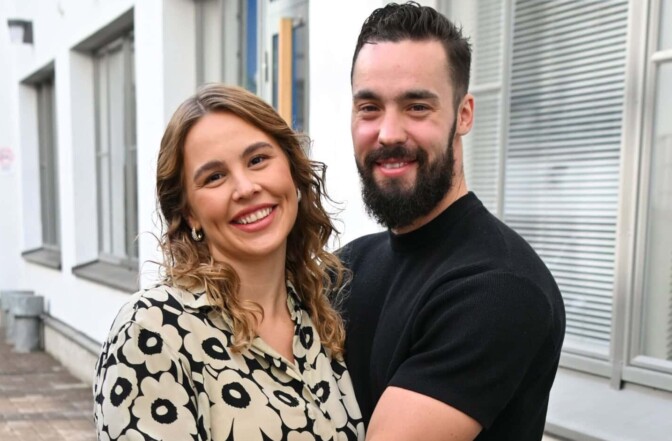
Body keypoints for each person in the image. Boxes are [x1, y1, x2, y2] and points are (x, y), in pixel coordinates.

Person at [340, 3, 566, 441]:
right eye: (369, 107)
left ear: (464, 115)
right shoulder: (349, 265)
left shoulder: (498, 287)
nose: (388, 133)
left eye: (416, 106)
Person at [93, 85, 364, 441]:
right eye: (214, 177)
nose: (246, 188)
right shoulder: (153, 330)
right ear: (189, 212)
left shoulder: (320, 312)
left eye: (257, 160)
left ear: (291, 169)